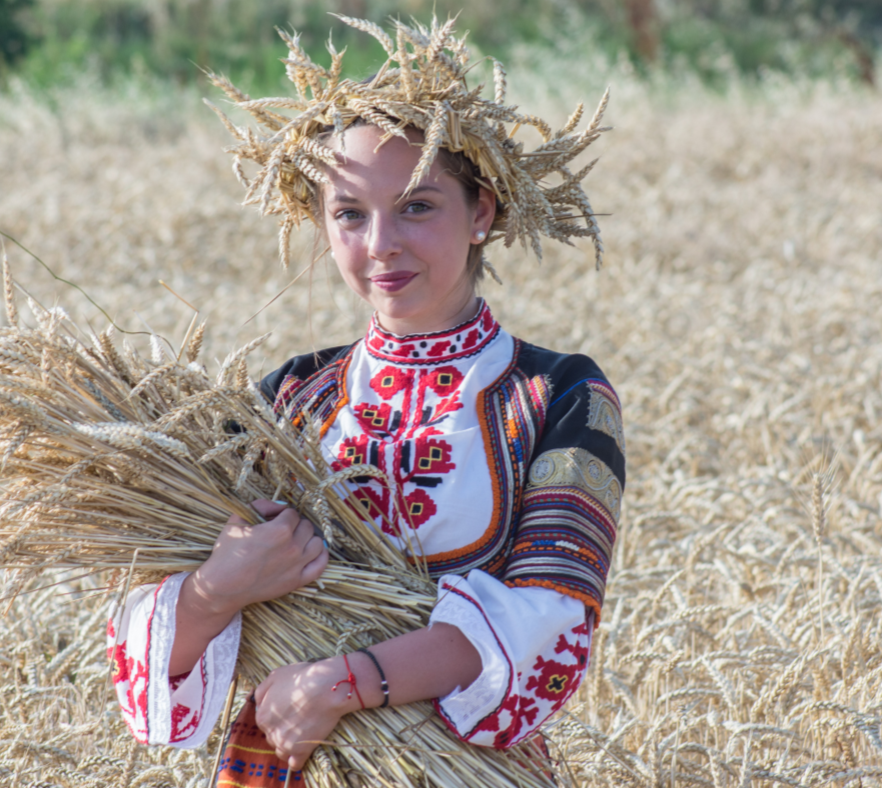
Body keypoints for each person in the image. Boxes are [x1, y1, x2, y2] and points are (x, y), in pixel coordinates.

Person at [106, 16, 623, 786]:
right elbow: (152, 650)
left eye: (417, 205)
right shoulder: (280, 401)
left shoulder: (557, 396)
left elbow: (551, 620)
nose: (381, 243)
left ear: (482, 212)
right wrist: (220, 587)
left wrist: (341, 685)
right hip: (280, 765)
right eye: (349, 212)